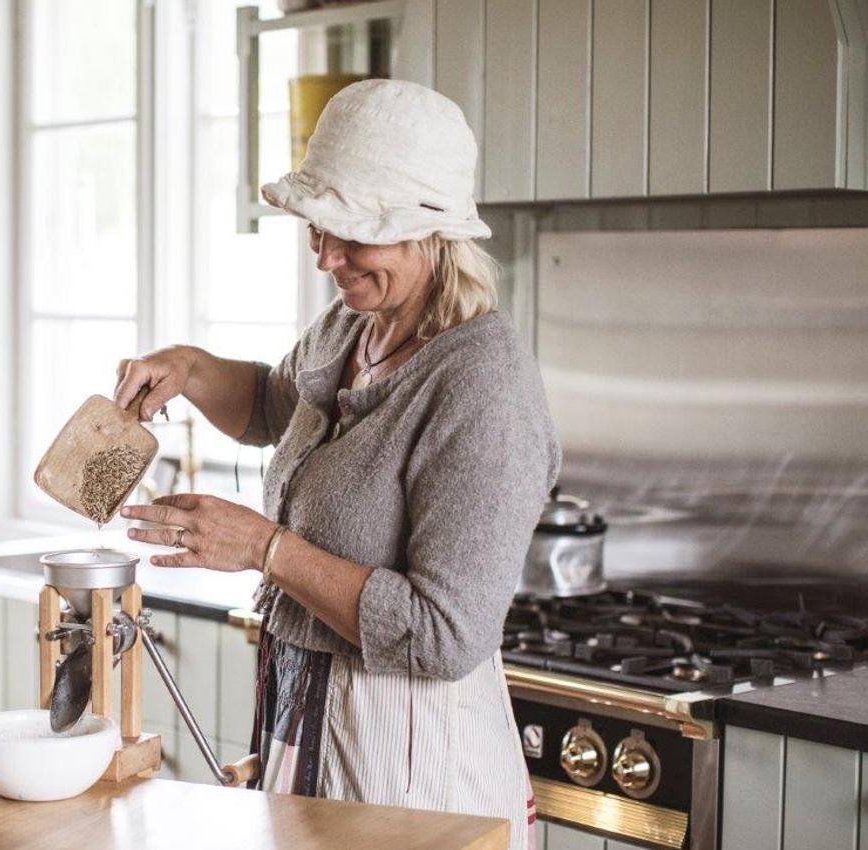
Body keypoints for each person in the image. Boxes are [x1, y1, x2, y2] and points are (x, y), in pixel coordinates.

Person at [114, 79, 558, 850]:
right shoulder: (358, 327)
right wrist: (188, 367)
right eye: (318, 230)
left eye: (351, 235)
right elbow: (274, 405)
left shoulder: (483, 387)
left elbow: (446, 634)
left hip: (415, 774)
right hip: (313, 728)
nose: (326, 257)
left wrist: (264, 548)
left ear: (431, 233)